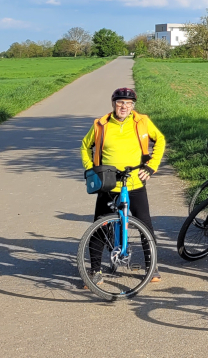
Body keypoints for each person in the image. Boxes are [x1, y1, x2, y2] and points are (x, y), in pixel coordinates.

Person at [80, 87, 166, 284]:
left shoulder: (142, 122)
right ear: (113, 104)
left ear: (133, 106)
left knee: (145, 224)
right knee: (100, 226)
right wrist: (89, 169)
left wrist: (152, 166)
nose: (124, 106)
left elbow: (160, 140)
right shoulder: (101, 124)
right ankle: (95, 270)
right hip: (108, 182)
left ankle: (151, 266)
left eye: (128, 103)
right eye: (120, 102)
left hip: (134, 180)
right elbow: (85, 146)